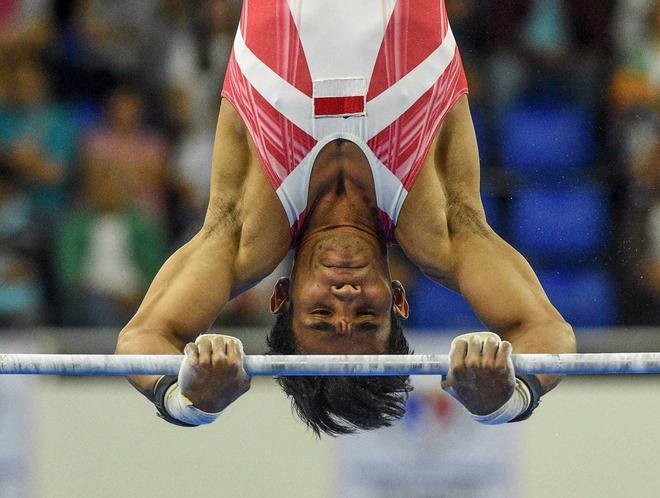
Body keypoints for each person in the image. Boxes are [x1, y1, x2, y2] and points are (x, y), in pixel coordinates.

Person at [116, 0, 576, 436]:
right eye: (365, 317)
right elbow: (547, 329)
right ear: (397, 298)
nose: (345, 296)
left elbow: (143, 336)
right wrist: (506, 401)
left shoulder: (243, 236)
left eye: (321, 315)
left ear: (281, 297)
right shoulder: (442, 231)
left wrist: (189, 403)